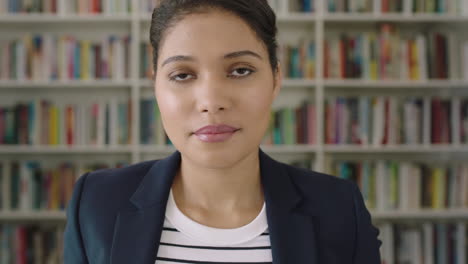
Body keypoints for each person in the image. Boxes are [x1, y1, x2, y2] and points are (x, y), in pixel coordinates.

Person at [63, 0, 382, 263]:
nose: (211, 102)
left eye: (240, 70)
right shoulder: (96, 203)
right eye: (183, 75)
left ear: (276, 79)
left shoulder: (339, 210)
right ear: (155, 85)